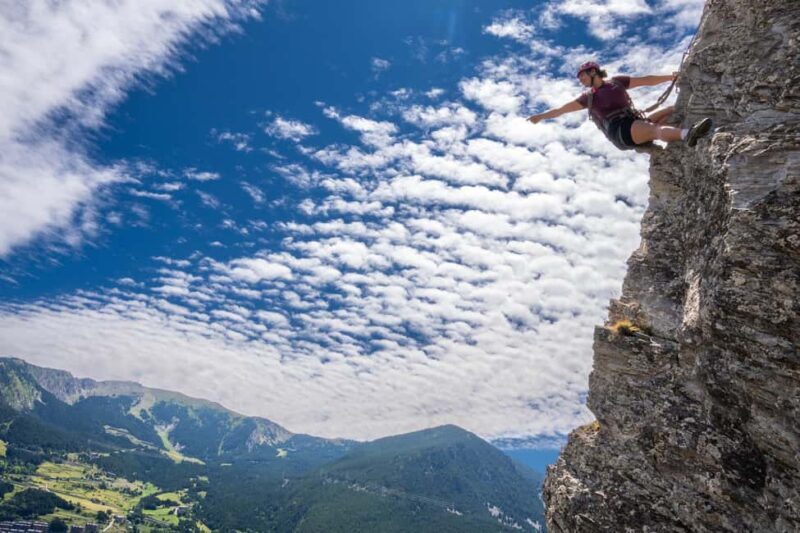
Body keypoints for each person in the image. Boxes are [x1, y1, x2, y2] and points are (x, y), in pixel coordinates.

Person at [528, 61, 712, 150]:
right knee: (653, 130)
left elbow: (646, 80)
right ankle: (688, 134)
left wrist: (671, 77)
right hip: (620, 130)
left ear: (593, 72)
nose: (581, 80)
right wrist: (541, 116)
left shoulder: (616, 82)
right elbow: (562, 110)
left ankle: (675, 133)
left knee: (673, 110)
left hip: (634, 121)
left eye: (583, 76)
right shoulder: (588, 98)